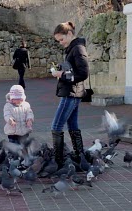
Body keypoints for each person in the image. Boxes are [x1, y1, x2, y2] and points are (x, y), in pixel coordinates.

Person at [51, 21, 89, 168]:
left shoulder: (78, 48)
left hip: (71, 93)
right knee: (72, 125)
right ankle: (80, 157)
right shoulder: (73, 49)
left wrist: (62, 74)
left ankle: (58, 162)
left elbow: (83, 73)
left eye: (61, 39)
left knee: (56, 126)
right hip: (73, 92)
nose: (60, 43)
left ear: (70, 34)